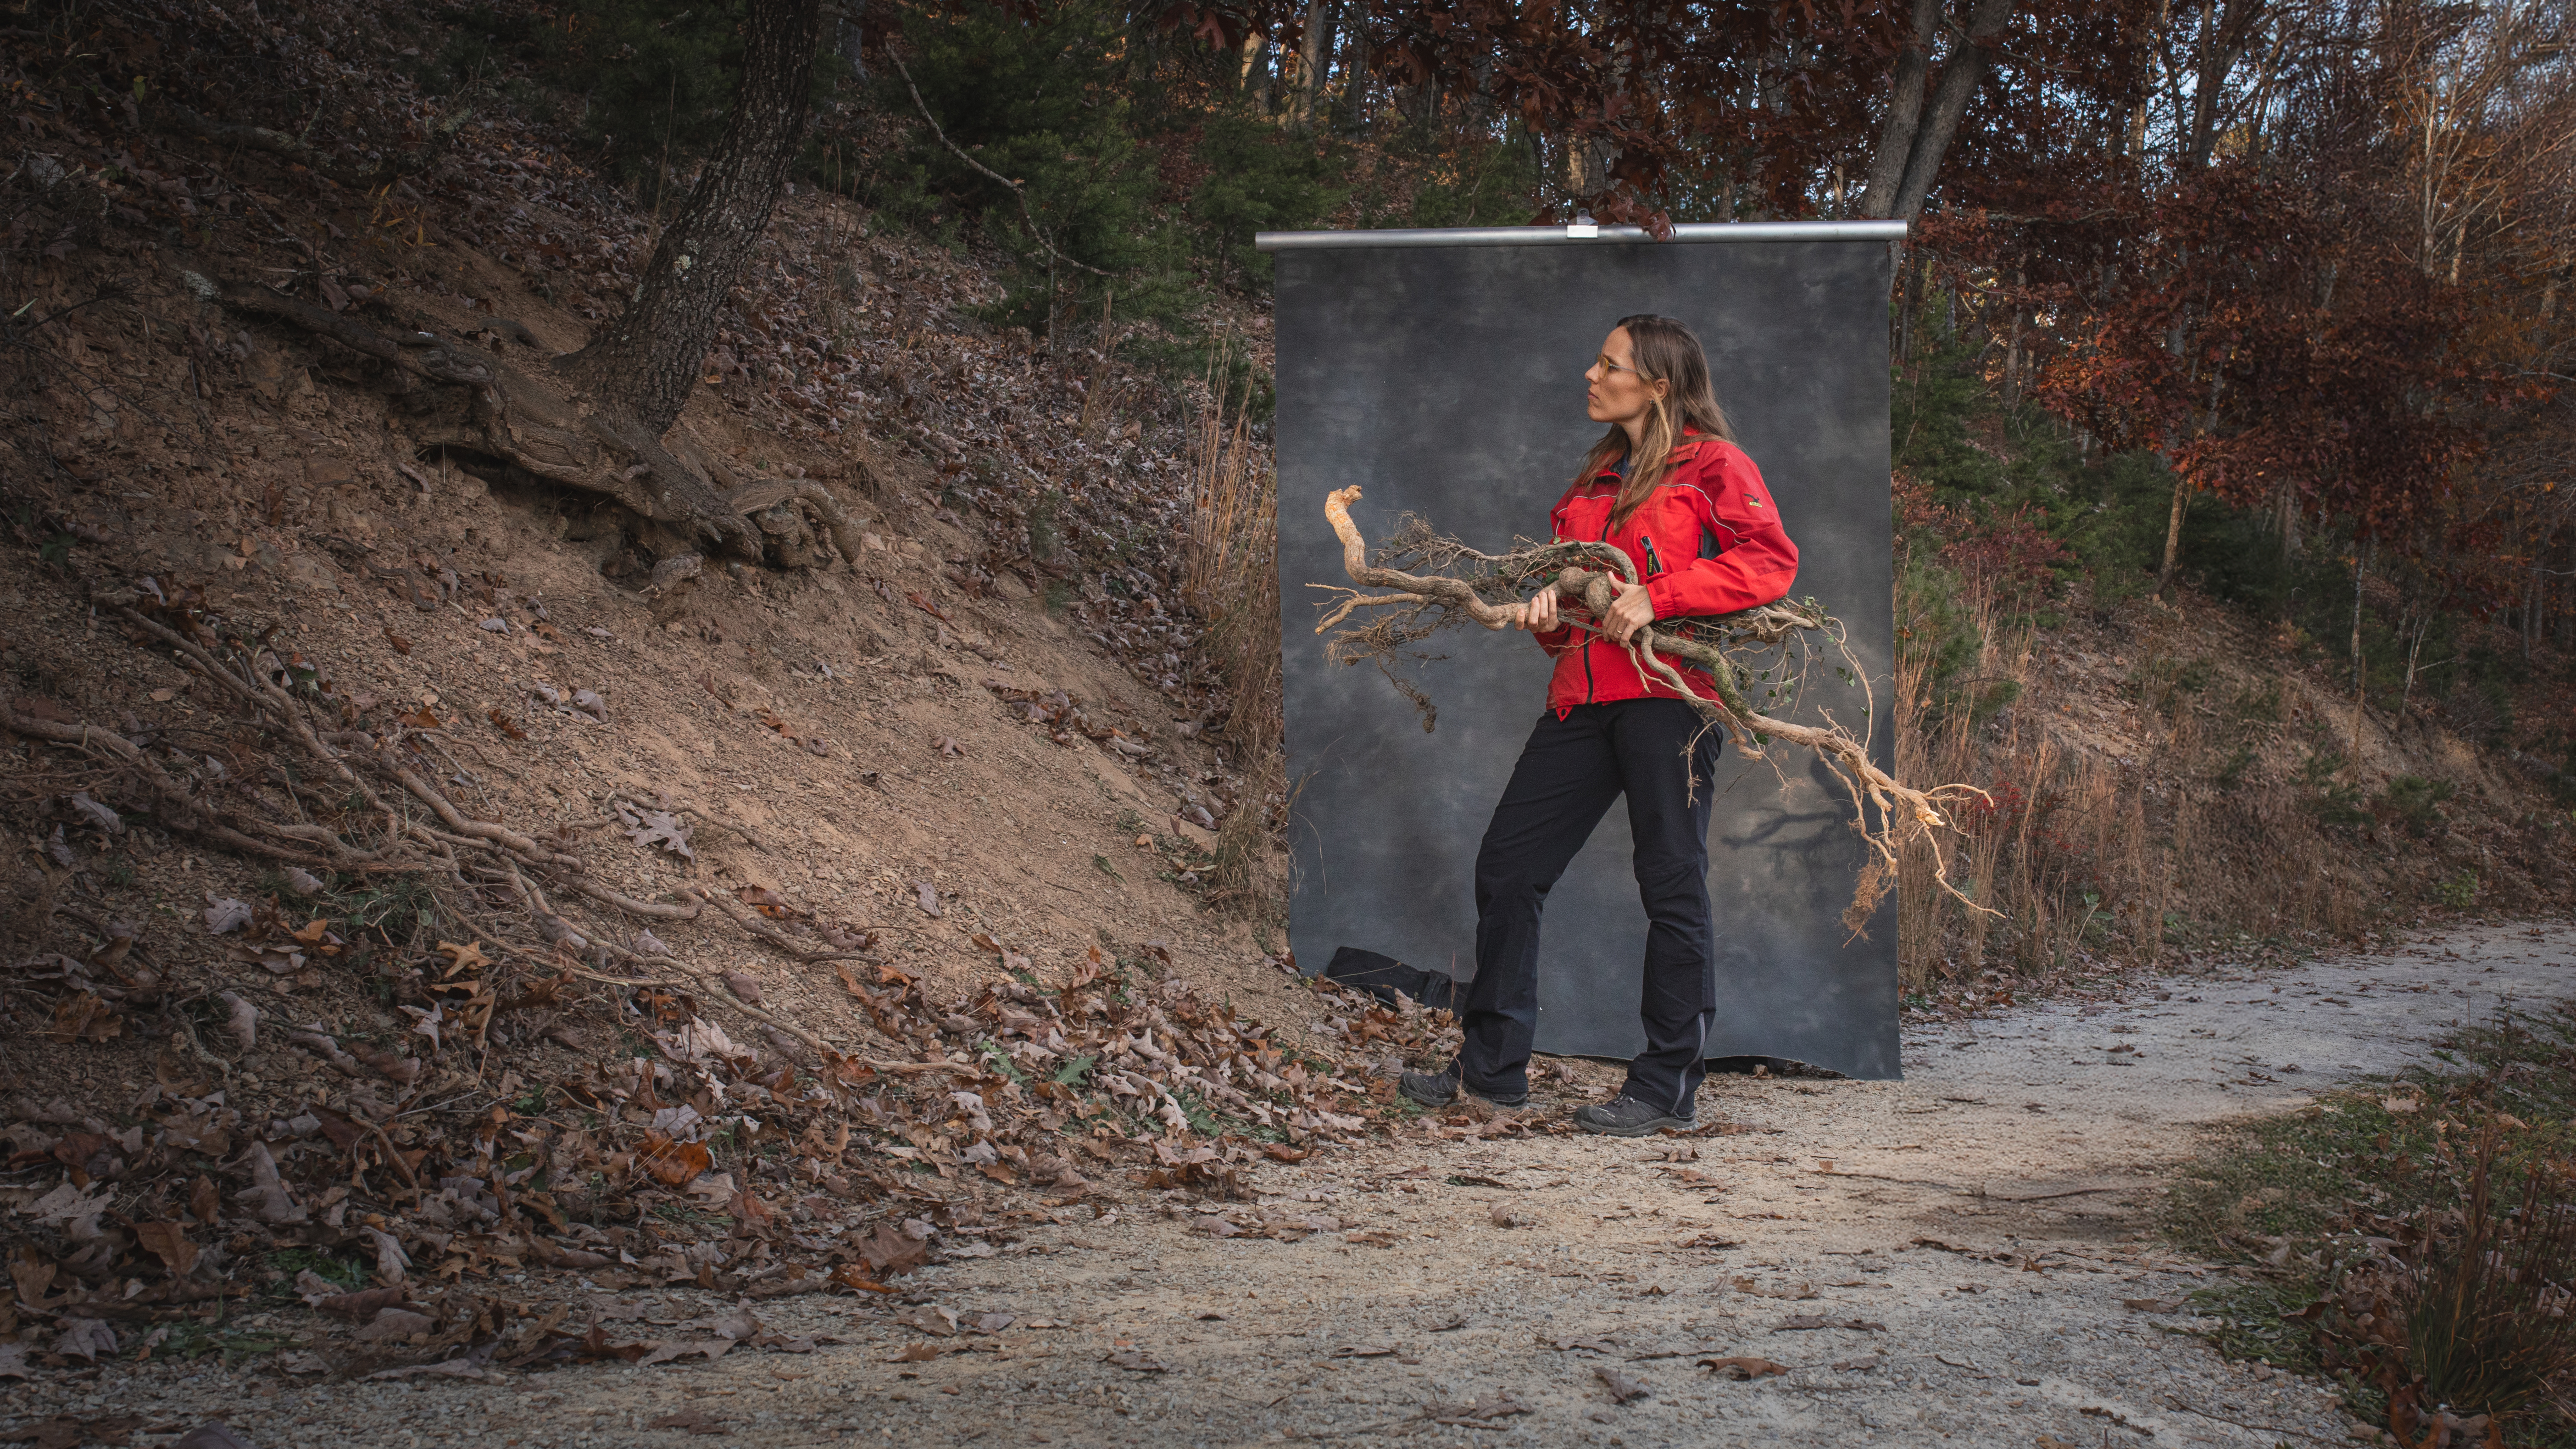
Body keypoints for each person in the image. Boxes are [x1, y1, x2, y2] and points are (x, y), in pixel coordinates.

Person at [1398, 314, 1800, 1136]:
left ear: (1657, 384)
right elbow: (1570, 624)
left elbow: (1769, 560)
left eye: (1609, 363)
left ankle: (1663, 1088)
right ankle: (1492, 1070)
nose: (1590, 372)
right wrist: (1549, 610)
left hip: (1670, 698)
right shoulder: (1591, 487)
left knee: (1671, 884)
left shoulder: (1714, 466)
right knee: (1509, 866)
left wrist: (1663, 594)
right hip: (1582, 701)